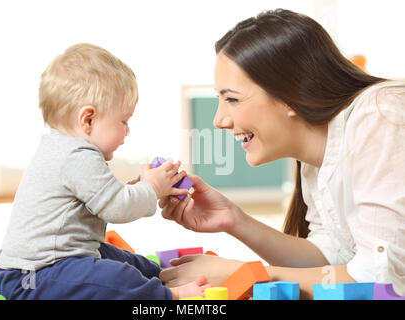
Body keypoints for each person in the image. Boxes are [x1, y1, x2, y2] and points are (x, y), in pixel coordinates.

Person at [159, 9, 405, 300]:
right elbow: (332, 260)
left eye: (232, 99)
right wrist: (234, 220)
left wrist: (248, 274)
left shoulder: (380, 114)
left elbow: (382, 281)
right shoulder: (316, 161)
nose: (219, 120)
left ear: (290, 94)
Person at [0, 43, 210, 300]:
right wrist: (151, 188)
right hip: (33, 277)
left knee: (126, 262)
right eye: (123, 121)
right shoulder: (76, 156)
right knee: (114, 277)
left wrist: (142, 183)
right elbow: (117, 207)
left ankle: (160, 276)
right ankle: (168, 296)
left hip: (51, 264)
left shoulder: (63, 148)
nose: (127, 131)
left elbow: (106, 195)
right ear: (88, 120)